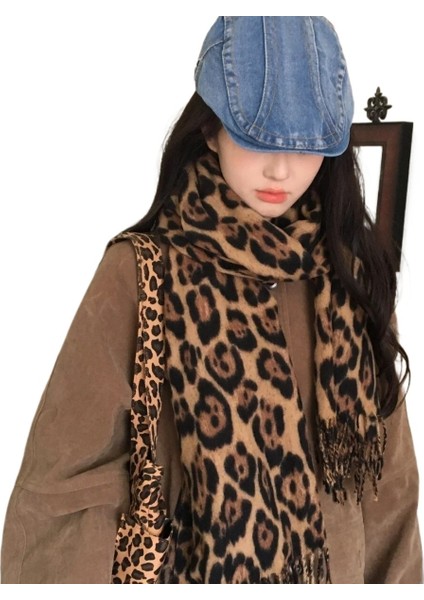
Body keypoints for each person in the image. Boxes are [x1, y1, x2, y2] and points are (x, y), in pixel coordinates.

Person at [1, 16, 422, 584]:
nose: (281, 169)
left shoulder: (349, 275)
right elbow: (63, 491)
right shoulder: (140, 271)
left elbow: (390, 493)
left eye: (305, 145)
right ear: (209, 129)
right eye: (255, 138)